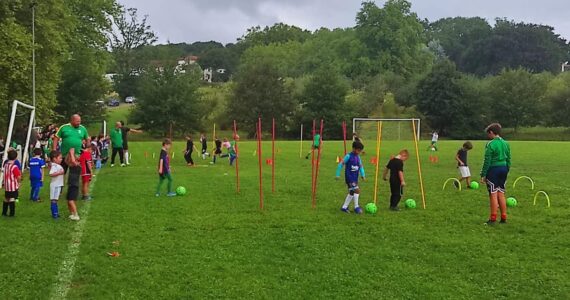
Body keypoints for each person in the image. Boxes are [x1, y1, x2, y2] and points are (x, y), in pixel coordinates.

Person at [53, 114, 89, 221]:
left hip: (76, 158)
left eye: (80, 121)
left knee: (74, 177)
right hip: (64, 157)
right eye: (77, 121)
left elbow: (87, 138)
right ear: (72, 120)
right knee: (60, 173)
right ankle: (58, 190)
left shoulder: (82, 129)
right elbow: (56, 138)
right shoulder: (64, 127)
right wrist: (54, 150)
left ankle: (73, 193)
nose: (79, 123)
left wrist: (86, 147)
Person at [480, 123, 511, 225]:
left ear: (491, 132)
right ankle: (503, 217)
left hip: (493, 170)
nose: (488, 136)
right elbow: (508, 159)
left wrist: (483, 174)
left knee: (493, 194)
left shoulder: (491, 144)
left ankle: (492, 218)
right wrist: (507, 169)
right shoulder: (506, 143)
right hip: (504, 168)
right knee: (501, 193)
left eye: (488, 134)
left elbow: (487, 161)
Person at [336, 141, 366, 214]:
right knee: (357, 190)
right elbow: (340, 164)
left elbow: (361, 166)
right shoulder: (348, 156)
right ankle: (356, 207)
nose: (359, 152)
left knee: (352, 192)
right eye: (358, 150)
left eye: (360, 151)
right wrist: (337, 174)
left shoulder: (358, 157)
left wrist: (363, 175)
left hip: (355, 178)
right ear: (353, 148)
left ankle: (344, 207)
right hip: (349, 178)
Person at [2, 150, 21, 217]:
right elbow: (18, 176)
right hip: (12, 186)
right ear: (16, 158)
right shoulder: (14, 167)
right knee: (12, 198)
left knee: (6, 198)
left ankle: (4, 212)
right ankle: (11, 214)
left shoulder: (5, 165)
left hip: (7, 186)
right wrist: (19, 183)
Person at [48, 150, 65, 219]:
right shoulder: (54, 166)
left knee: (56, 199)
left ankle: (56, 213)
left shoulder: (57, 165)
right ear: (55, 159)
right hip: (54, 185)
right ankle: (54, 213)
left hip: (58, 184)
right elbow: (51, 174)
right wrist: (59, 173)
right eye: (60, 158)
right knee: (54, 199)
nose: (61, 159)